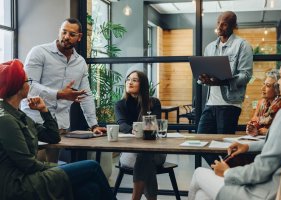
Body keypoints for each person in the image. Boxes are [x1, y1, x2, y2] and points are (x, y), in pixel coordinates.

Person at [188, 54, 281, 200]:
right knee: (201, 196)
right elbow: (279, 145)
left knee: (198, 173)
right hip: (273, 189)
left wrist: (228, 173)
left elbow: (262, 168)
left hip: (264, 193)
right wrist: (247, 147)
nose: (279, 83)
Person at [0, 59, 115, 200]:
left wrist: (44, 110)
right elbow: (28, 164)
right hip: (20, 184)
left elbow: (53, 137)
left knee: (90, 189)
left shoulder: (19, 115)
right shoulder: (6, 120)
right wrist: (59, 167)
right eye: (27, 81)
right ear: (18, 87)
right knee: (92, 166)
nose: (29, 84)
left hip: (31, 176)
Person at [20, 18, 106, 162]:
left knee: (52, 170)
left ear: (79, 37)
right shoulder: (39, 52)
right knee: (37, 166)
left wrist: (94, 125)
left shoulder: (80, 63)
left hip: (59, 127)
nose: (66, 37)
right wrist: (59, 94)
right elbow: (29, 86)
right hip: (34, 122)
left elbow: (86, 95)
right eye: (63, 32)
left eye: (72, 34)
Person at [197, 11, 253, 134]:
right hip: (210, 103)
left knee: (223, 145)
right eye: (218, 23)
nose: (219, 27)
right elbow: (204, 71)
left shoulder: (243, 46)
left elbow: (246, 75)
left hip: (230, 104)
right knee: (201, 142)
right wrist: (203, 78)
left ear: (233, 26)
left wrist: (224, 81)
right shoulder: (210, 47)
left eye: (224, 24)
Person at [114, 68, 166, 200]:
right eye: (128, 80)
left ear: (142, 84)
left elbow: (153, 126)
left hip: (156, 153)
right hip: (129, 153)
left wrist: (143, 129)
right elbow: (122, 125)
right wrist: (135, 130)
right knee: (144, 156)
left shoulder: (153, 103)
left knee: (145, 154)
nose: (129, 82)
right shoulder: (120, 104)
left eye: (134, 80)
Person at [246, 69, 281, 136]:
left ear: (277, 89)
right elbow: (255, 120)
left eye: (267, 86)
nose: (262, 88)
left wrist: (269, 132)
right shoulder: (261, 103)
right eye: (263, 84)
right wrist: (253, 127)